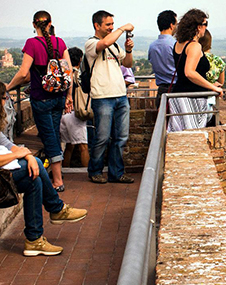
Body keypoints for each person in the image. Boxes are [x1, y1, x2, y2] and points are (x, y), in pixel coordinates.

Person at [0, 78, 87, 257]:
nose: (6, 102)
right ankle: (56, 209)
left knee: (33, 180)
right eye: (4, 98)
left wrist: (27, 156)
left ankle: (34, 241)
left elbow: (6, 144)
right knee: (36, 166)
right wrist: (22, 156)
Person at [7, 11, 72, 192]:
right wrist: (69, 96)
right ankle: (56, 172)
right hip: (58, 97)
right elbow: (69, 73)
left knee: (49, 138)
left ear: (34, 24)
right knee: (54, 135)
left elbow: (23, 73)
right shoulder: (60, 43)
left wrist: (8, 87)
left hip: (41, 98)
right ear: (50, 23)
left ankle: (58, 181)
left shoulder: (32, 44)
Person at [84, 10, 135, 184]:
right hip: (102, 97)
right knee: (102, 137)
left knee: (121, 137)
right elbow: (104, 43)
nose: (111, 27)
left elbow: (127, 64)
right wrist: (122, 28)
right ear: (97, 25)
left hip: (121, 95)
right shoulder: (91, 43)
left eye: (113, 24)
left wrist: (128, 51)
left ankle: (116, 173)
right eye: (108, 24)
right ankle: (95, 171)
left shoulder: (115, 46)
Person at [167, 9, 223, 132]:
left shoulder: (178, 44)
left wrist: (209, 84)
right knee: (192, 135)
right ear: (198, 27)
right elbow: (189, 73)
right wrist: (213, 88)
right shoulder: (194, 46)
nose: (206, 28)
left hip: (178, 96)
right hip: (191, 100)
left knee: (179, 135)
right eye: (205, 24)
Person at [60, 47, 89, 168]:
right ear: (80, 60)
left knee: (69, 146)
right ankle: (87, 172)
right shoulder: (78, 75)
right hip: (74, 113)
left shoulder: (64, 73)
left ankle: (65, 170)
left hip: (63, 113)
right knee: (83, 146)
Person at [147, 10, 178, 109]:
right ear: (171, 25)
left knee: (162, 117)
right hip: (176, 89)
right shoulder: (176, 45)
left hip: (161, 91)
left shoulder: (152, 46)